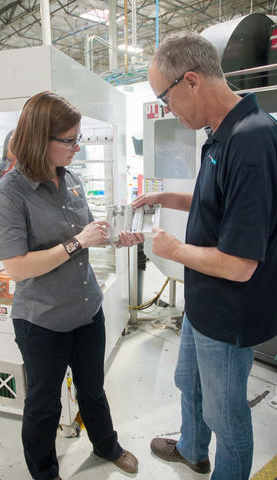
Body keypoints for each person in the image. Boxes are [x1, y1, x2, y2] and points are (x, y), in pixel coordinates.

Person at [133, 32, 277, 480]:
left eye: (165, 96)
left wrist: (174, 249)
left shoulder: (252, 142)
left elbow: (239, 264)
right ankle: (193, 450)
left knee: (225, 413)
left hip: (229, 312)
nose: (167, 109)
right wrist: (166, 197)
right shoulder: (222, 131)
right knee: (188, 382)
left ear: (190, 81)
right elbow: (217, 198)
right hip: (203, 301)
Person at [0, 91, 143, 480]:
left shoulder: (71, 178)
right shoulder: (10, 193)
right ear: (41, 139)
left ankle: (107, 445)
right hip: (42, 322)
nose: (78, 147)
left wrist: (113, 237)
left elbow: (87, 232)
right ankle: (45, 473)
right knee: (43, 404)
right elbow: (18, 268)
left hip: (86, 310)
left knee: (93, 389)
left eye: (79, 138)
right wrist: (78, 243)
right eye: (70, 140)